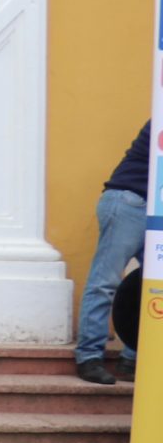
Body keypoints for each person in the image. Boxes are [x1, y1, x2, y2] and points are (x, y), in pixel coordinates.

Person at [76, 120, 150, 384]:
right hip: (130, 202)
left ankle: (132, 357)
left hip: (153, 208)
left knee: (153, 287)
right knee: (105, 282)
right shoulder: (161, 116)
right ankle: (89, 357)